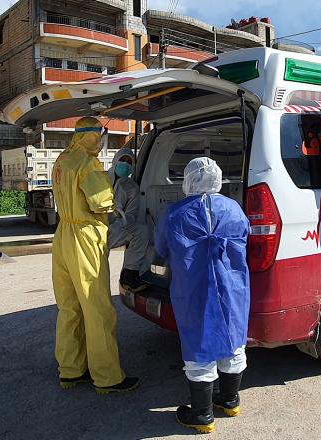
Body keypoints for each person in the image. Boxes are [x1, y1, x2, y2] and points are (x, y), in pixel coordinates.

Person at [155, 157, 250, 434]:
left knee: (198, 342)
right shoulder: (233, 208)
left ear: (188, 180)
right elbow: (247, 236)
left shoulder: (175, 214)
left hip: (193, 289)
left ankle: (202, 414)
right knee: (233, 336)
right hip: (232, 286)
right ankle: (230, 400)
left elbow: (161, 247)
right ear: (218, 179)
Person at [51, 117, 139, 394]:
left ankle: (71, 370)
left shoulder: (62, 160)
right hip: (85, 236)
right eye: (101, 136)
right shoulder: (89, 164)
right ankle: (107, 376)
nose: (101, 142)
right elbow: (101, 202)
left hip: (63, 234)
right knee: (97, 307)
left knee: (69, 307)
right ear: (93, 136)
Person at [107, 147, 148, 292]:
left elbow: (131, 214)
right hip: (94, 229)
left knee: (141, 231)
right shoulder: (100, 179)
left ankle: (129, 275)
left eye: (129, 162)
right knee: (97, 270)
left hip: (114, 230)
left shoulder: (132, 187)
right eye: (122, 160)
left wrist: (119, 224)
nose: (125, 164)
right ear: (115, 160)